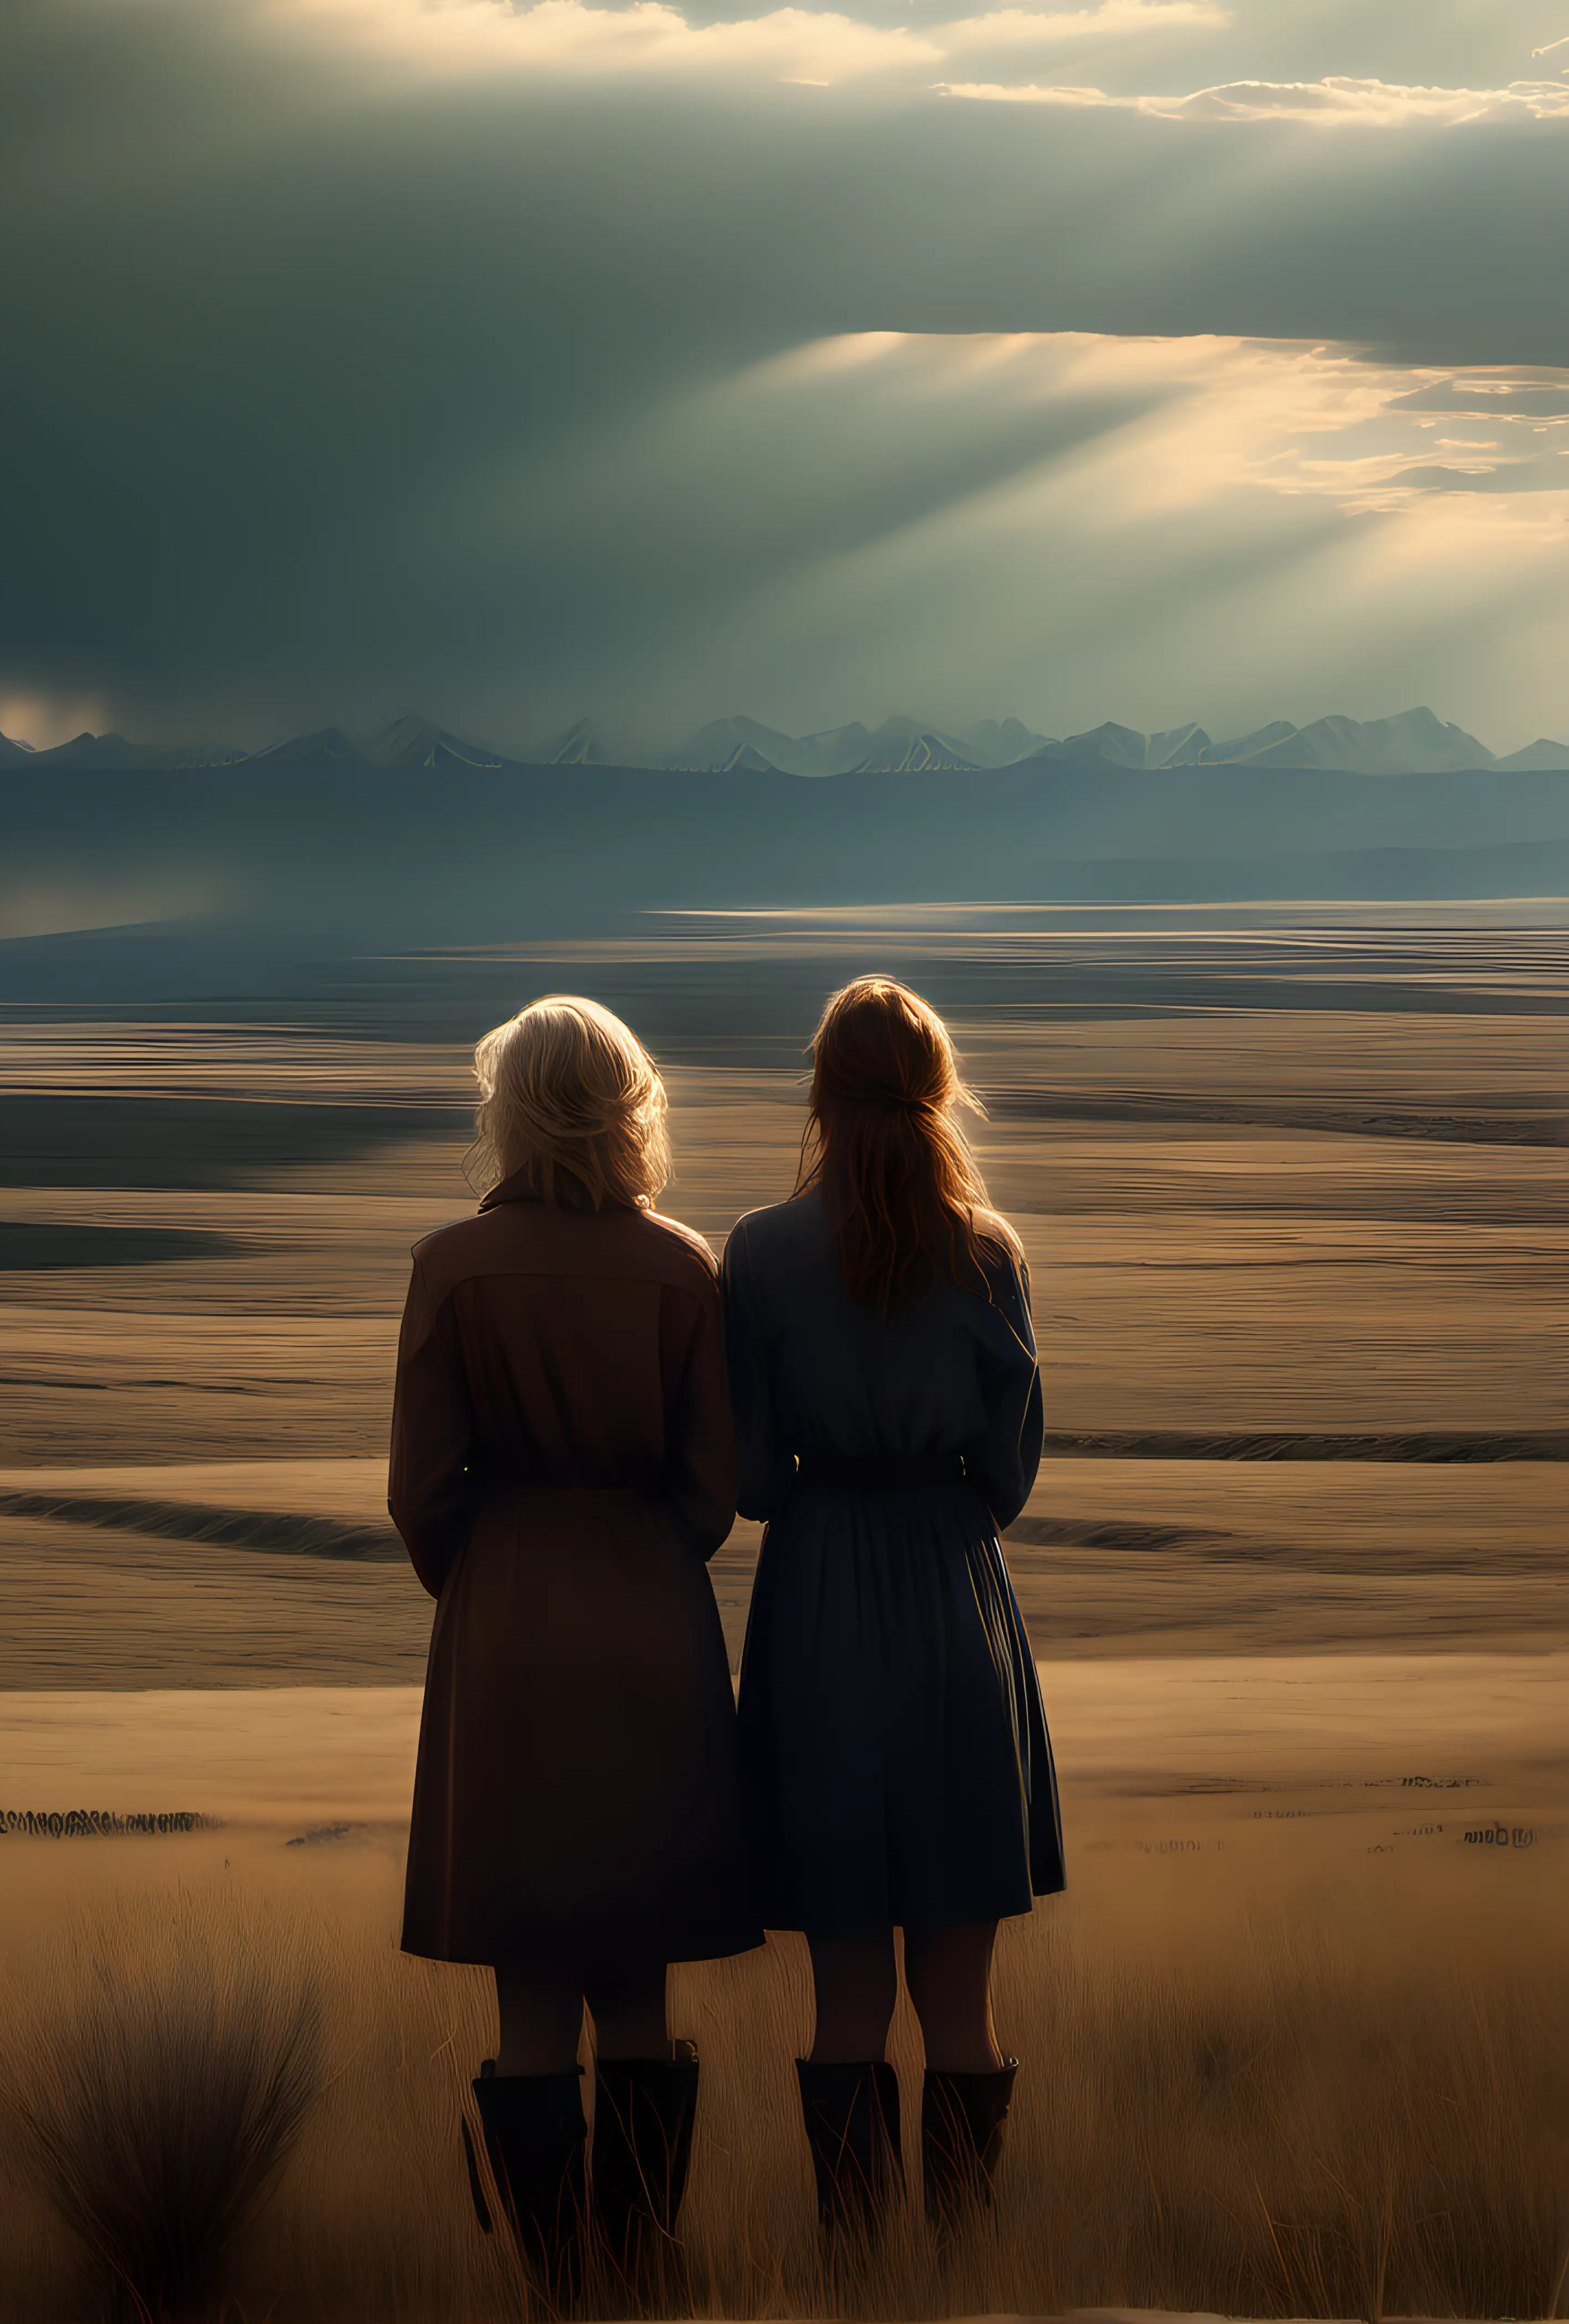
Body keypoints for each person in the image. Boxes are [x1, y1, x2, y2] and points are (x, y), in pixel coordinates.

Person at [389, 995, 757, 2306]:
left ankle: (557, 2289)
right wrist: (642, 1560)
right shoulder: (683, 1266)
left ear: (508, 1106)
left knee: (529, 1971)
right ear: (629, 1105)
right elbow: (715, 1483)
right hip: (651, 1618)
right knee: (637, 1969)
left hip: (505, 1629)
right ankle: (643, 2266)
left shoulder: (449, 1265)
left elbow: (420, 1492)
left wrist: (491, 1577)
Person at [722, 975, 1064, 2249]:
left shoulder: (756, 1250)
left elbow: (753, 1480)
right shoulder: (989, 1248)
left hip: (817, 1613)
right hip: (954, 1595)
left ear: (819, 1091)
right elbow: (1011, 1471)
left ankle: (858, 2272)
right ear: (938, 1088)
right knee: (963, 2009)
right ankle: (962, 2264)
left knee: (846, 2004)